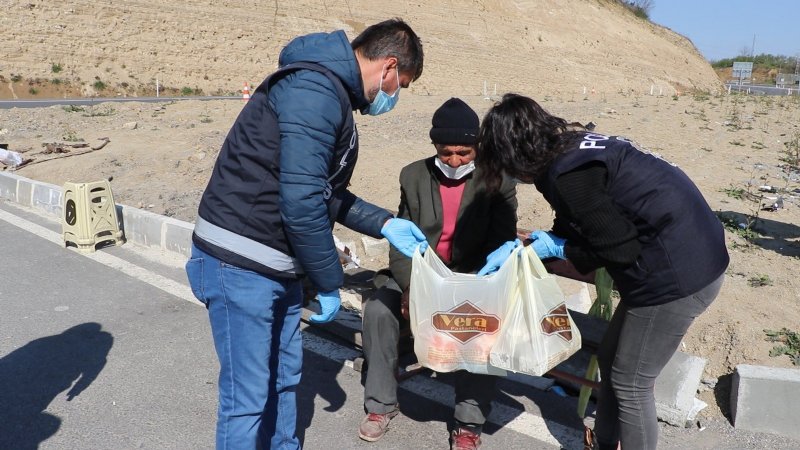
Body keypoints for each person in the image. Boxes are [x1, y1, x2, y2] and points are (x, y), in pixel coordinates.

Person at [185, 19, 428, 450]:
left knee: (284, 378)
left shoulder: (330, 94)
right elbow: (301, 203)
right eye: (401, 85)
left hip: (275, 262)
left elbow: (322, 190)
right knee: (247, 397)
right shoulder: (313, 92)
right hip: (241, 262)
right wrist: (330, 281)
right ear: (389, 67)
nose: (394, 96)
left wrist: (384, 223)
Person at [475, 93, 729, 450]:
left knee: (631, 382)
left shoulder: (566, 175)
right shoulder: (569, 148)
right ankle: (605, 442)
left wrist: (559, 247)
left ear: (515, 154)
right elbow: (583, 220)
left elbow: (619, 249)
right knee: (611, 360)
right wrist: (532, 247)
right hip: (688, 253)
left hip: (676, 277)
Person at [359, 98, 518, 450]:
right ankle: (381, 405)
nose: (456, 161)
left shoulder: (499, 180)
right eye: (446, 153)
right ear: (434, 146)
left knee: (483, 325)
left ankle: (468, 423)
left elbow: (501, 242)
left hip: (472, 278)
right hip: (421, 274)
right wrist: (412, 288)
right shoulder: (413, 176)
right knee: (377, 311)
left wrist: (472, 290)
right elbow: (402, 242)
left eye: (464, 152)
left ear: (477, 147)